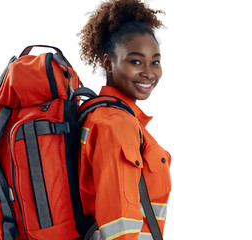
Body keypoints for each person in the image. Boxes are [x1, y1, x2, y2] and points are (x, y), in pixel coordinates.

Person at [78, 0, 171, 239]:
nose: (149, 73)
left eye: (155, 62)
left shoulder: (102, 116)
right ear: (108, 62)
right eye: (136, 61)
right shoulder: (116, 124)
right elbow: (120, 223)